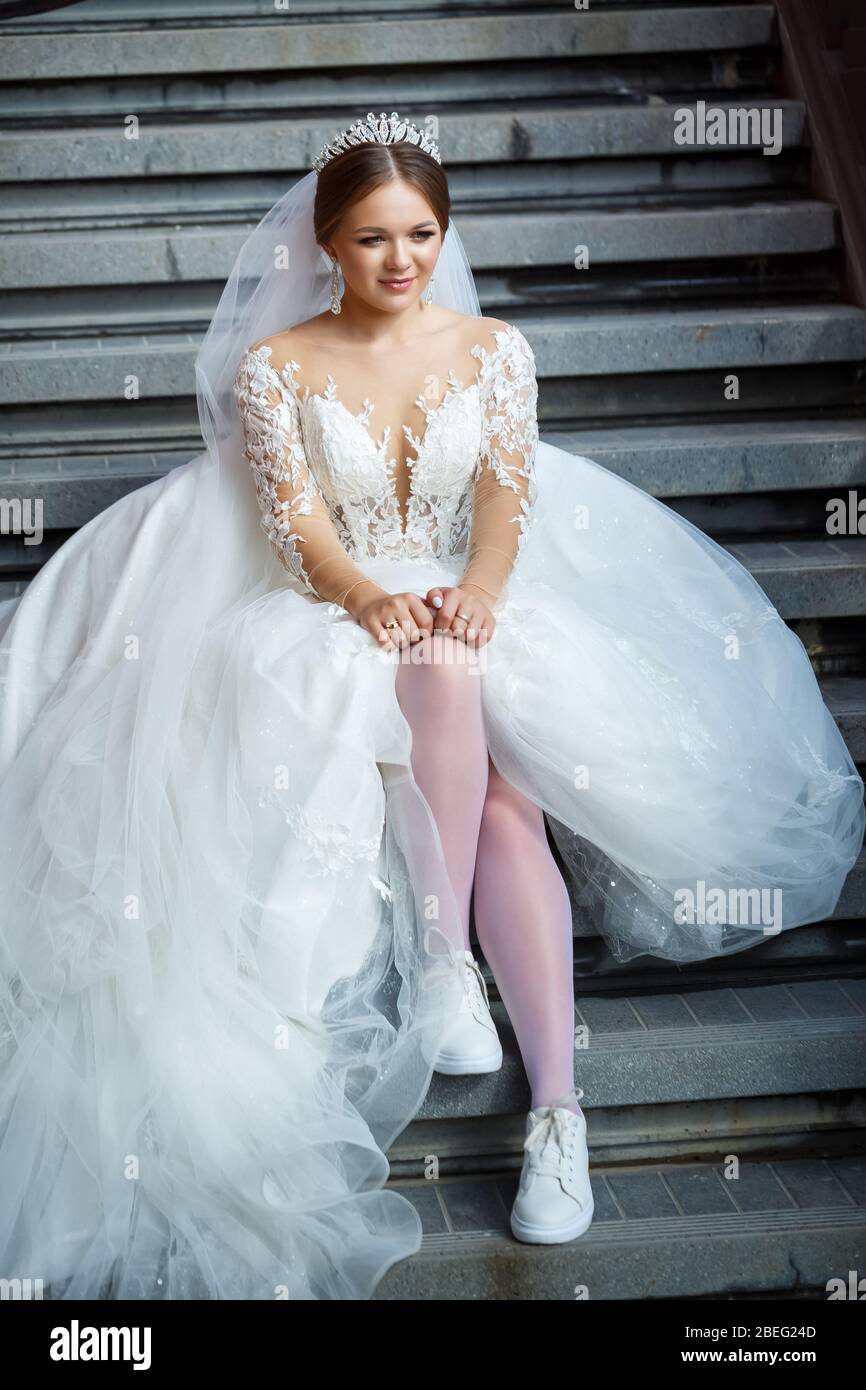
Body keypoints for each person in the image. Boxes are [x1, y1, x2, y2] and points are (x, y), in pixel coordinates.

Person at [0, 112, 862, 1301]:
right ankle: (467, 991)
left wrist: (480, 595)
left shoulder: (494, 350)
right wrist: (365, 594)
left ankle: (550, 1104)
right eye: (369, 238)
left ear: (442, 235)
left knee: (499, 775)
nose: (398, 260)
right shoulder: (280, 366)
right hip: (331, 607)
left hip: (473, 600)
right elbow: (295, 522)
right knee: (471, 739)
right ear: (328, 244)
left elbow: (506, 502)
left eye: (419, 233)